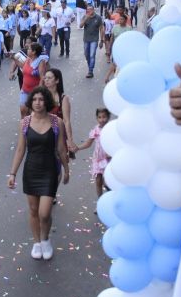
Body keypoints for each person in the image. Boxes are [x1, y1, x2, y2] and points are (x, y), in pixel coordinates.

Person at [7, 86, 70, 260]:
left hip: (50, 171)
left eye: (41, 99)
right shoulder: (25, 123)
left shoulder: (57, 122)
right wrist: (12, 173)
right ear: (31, 101)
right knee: (34, 210)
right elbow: (20, 149)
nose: (37, 103)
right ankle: (37, 242)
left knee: (45, 212)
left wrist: (66, 170)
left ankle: (45, 239)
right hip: (31, 170)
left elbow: (61, 149)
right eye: (34, 99)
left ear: (47, 101)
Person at [74, 108, 112, 199]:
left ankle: (111, 195)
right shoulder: (96, 130)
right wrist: (78, 148)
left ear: (108, 117)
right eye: (99, 117)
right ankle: (100, 201)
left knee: (109, 180)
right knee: (98, 180)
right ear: (96, 118)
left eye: (104, 117)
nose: (102, 119)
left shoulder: (111, 129)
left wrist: (112, 153)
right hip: (98, 159)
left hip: (109, 159)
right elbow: (88, 143)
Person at [43, 68, 76, 155]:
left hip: (58, 135)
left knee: (58, 162)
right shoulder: (41, 97)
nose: (46, 80)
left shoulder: (63, 99)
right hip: (43, 134)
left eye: (49, 78)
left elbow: (66, 121)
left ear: (57, 80)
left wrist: (70, 140)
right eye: (45, 78)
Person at [13, 43, 48, 118]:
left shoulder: (40, 62)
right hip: (25, 89)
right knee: (23, 110)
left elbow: (42, 77)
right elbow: (23, 67)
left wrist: (39, 91)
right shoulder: (28, 59)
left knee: (33, 113)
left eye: (29, 49)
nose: (27, 50)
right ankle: (24, 127)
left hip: (34, 91)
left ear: (34, 52)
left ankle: (32, 127)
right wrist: (14, 59)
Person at [80, 5, 105, 79]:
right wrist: (86, 18)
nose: (88, 11)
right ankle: (90, 66)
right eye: (87, 10)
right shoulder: (85, 17)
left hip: (94, 39)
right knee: (86, 55)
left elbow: (101, 29)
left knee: (92, 55)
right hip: (86, 39)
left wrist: (102, 40)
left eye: (90, 9)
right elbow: (80, 26)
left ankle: (90, 71)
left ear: (93, 10)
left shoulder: (98, 18)